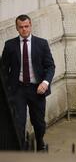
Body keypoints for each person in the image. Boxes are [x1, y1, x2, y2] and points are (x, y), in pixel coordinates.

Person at [1, 14, 55, 151]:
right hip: (18, 89)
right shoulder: (10, 45)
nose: (24, 29)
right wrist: (7, 89)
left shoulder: (42, 44)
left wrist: (45, 82)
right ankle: (21, 147)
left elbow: (50, 66)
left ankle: (40, 143)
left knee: (38, 122)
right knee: (18, 121)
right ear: (17, 28)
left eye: (26, 26)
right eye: (21, 27)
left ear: (30, 26)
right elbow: (3, 69)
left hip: (37, 89)